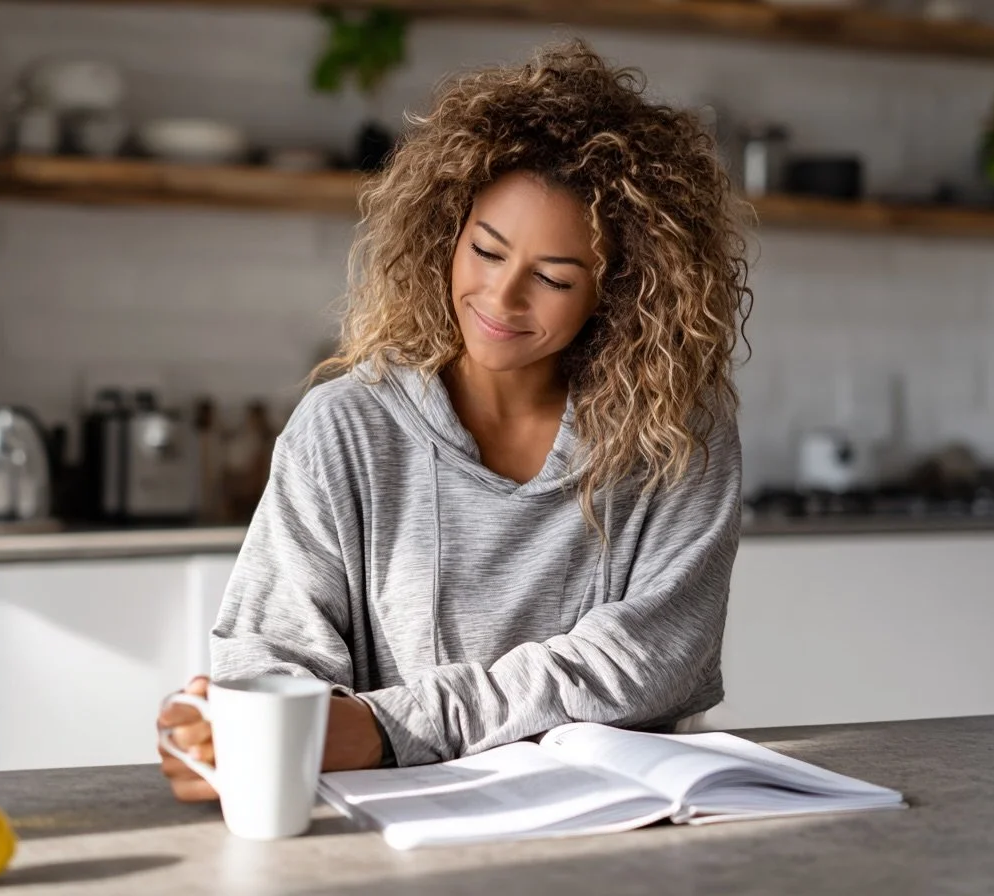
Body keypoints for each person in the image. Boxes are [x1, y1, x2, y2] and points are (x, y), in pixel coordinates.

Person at [159, 41, 752, 801]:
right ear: (447, 232)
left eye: (553, 277)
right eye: (486, 250)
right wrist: (228, 728)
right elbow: (269, 657)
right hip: (398, 833)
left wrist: (384, 728)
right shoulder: (343, 429)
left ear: (618, 290)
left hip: (623, 823)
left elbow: (648, 660)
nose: (502, 300)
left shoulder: (677, 432)